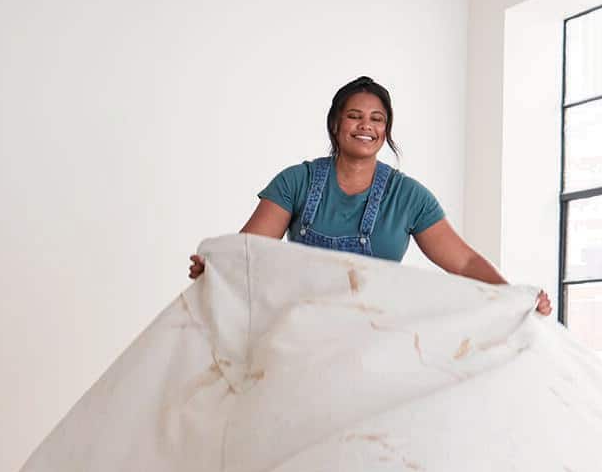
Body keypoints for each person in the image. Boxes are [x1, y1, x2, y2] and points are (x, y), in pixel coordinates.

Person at [189, 76, 552, 317]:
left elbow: (465, 263)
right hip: (301, 337)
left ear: (386, 129)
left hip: (378, 340)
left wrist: (514, 296)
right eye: (355, 116)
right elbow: (249, 250)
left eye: (377, 119)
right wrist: (217, 268)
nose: (366, 126)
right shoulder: (296, 182)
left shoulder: (409, 196)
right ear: (336, 124)